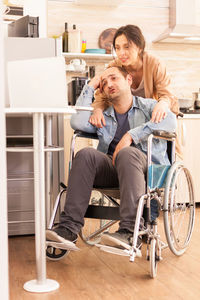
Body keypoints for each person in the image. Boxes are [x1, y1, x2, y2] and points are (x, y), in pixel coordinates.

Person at [46, 66, 176, 251]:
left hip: (146, 169)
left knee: (127, 152)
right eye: (104, 83)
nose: (109, 84)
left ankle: (130, 232)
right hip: (115, 170)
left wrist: (131, 135)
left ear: (129, 80)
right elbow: (77, 122)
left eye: (114, 78)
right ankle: (68, 229)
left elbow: (171, 122)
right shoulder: (103, 116)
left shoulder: (148, 106)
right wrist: (91, 85)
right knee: (85, 155)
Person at [89, 24, 179, 129]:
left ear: (140, 47)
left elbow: (167, 95)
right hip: (127, 122)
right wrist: (98, 110)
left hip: (153, 120)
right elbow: (101, 96)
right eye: (117, 48)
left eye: (127, 47)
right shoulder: (114, 67)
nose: (121, 53)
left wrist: (162, 104)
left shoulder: (155, 64)